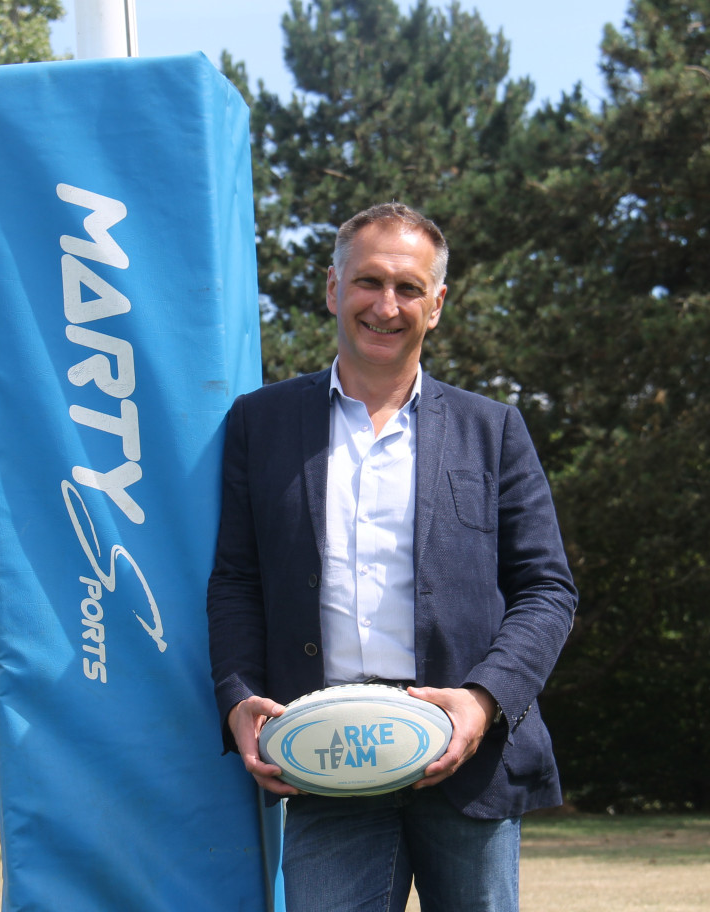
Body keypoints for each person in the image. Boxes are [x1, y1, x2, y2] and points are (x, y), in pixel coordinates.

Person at [206, 202, 577, 912]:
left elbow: (546, 590)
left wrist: (480, 701)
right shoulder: (261, 424)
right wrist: (237, 698)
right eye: (369, 281)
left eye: (409, 288)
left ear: (436, 305)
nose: (387, 305)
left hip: (467, 764)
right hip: (325, 760)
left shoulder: (493, 430)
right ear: (332, 289)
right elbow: (237, 581)